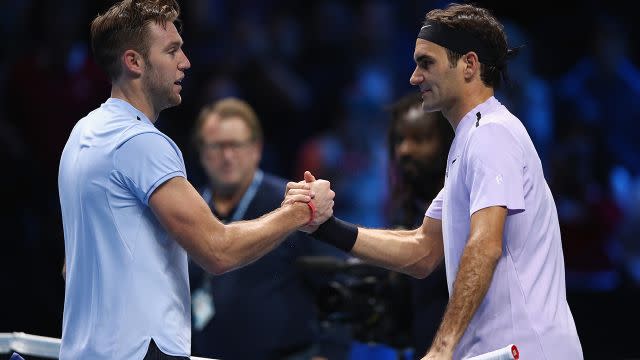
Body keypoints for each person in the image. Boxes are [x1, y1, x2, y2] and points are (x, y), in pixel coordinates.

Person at [289, 4, 583, 359]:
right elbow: (422, 250)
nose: (414, 77)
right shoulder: (472, 139)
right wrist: (325, 227)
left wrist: (443, 346)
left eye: (426, 63)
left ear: (469, 66)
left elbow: (484, 245)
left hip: (526, 350)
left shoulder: (492, 135)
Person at [57, 1, 334, 359]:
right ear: (134, 62)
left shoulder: (82, 133)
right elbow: (218, 251)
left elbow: (71, 267)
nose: (185, 62)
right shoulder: (142, 142)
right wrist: (300, 212)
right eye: (171, 50)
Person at [189, 97, 342, 360]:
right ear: (202, 151)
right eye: (217, 146)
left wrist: (329, 352)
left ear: (256, 149)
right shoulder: (189, 211)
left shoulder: (293, 205)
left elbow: (337, 285)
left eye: (236, 145)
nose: (227, 156)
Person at [386, 92, 452, 359]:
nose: (404, 150)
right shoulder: (405, 214)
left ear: (447, 143)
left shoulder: (471, 211)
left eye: (419, 139)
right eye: (400, 140)